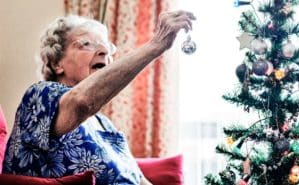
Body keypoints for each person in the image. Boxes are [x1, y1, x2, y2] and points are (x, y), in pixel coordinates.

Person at [2, 11, 195, 185]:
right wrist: (156, 44)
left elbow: (139, 180)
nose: (103, 51)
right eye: (86, 44)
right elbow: (80, 102)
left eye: (108, 49)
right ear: (56, 62)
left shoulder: (103, 124)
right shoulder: (40, 95)